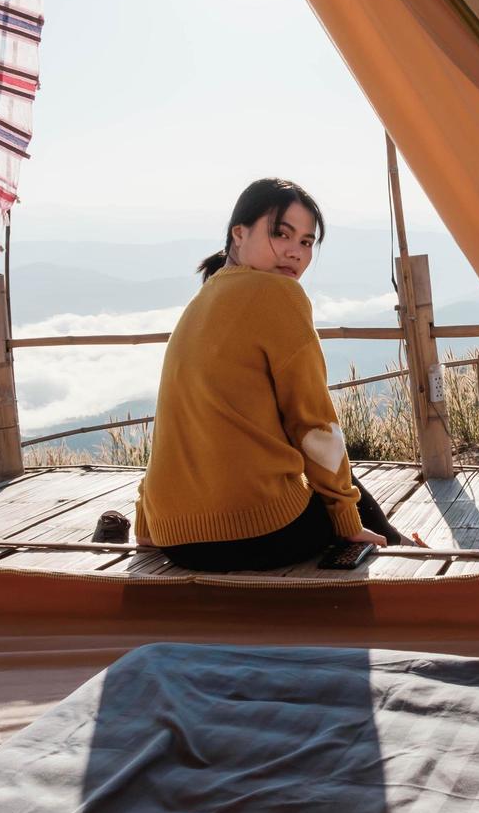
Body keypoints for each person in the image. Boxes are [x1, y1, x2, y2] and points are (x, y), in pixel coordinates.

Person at [134, 177, 416, 571]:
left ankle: (393, 536)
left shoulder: (203, 298)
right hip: (259, 534)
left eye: (305, 242)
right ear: (239, 233)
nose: (295, 252)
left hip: (175, 540)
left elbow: (170, 420)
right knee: (335, 485)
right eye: (280, 234)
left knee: (320, 479)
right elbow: (314, 425)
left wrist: (147, 521)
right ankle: (402, 544)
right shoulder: (279, 294)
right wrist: (349, 523)